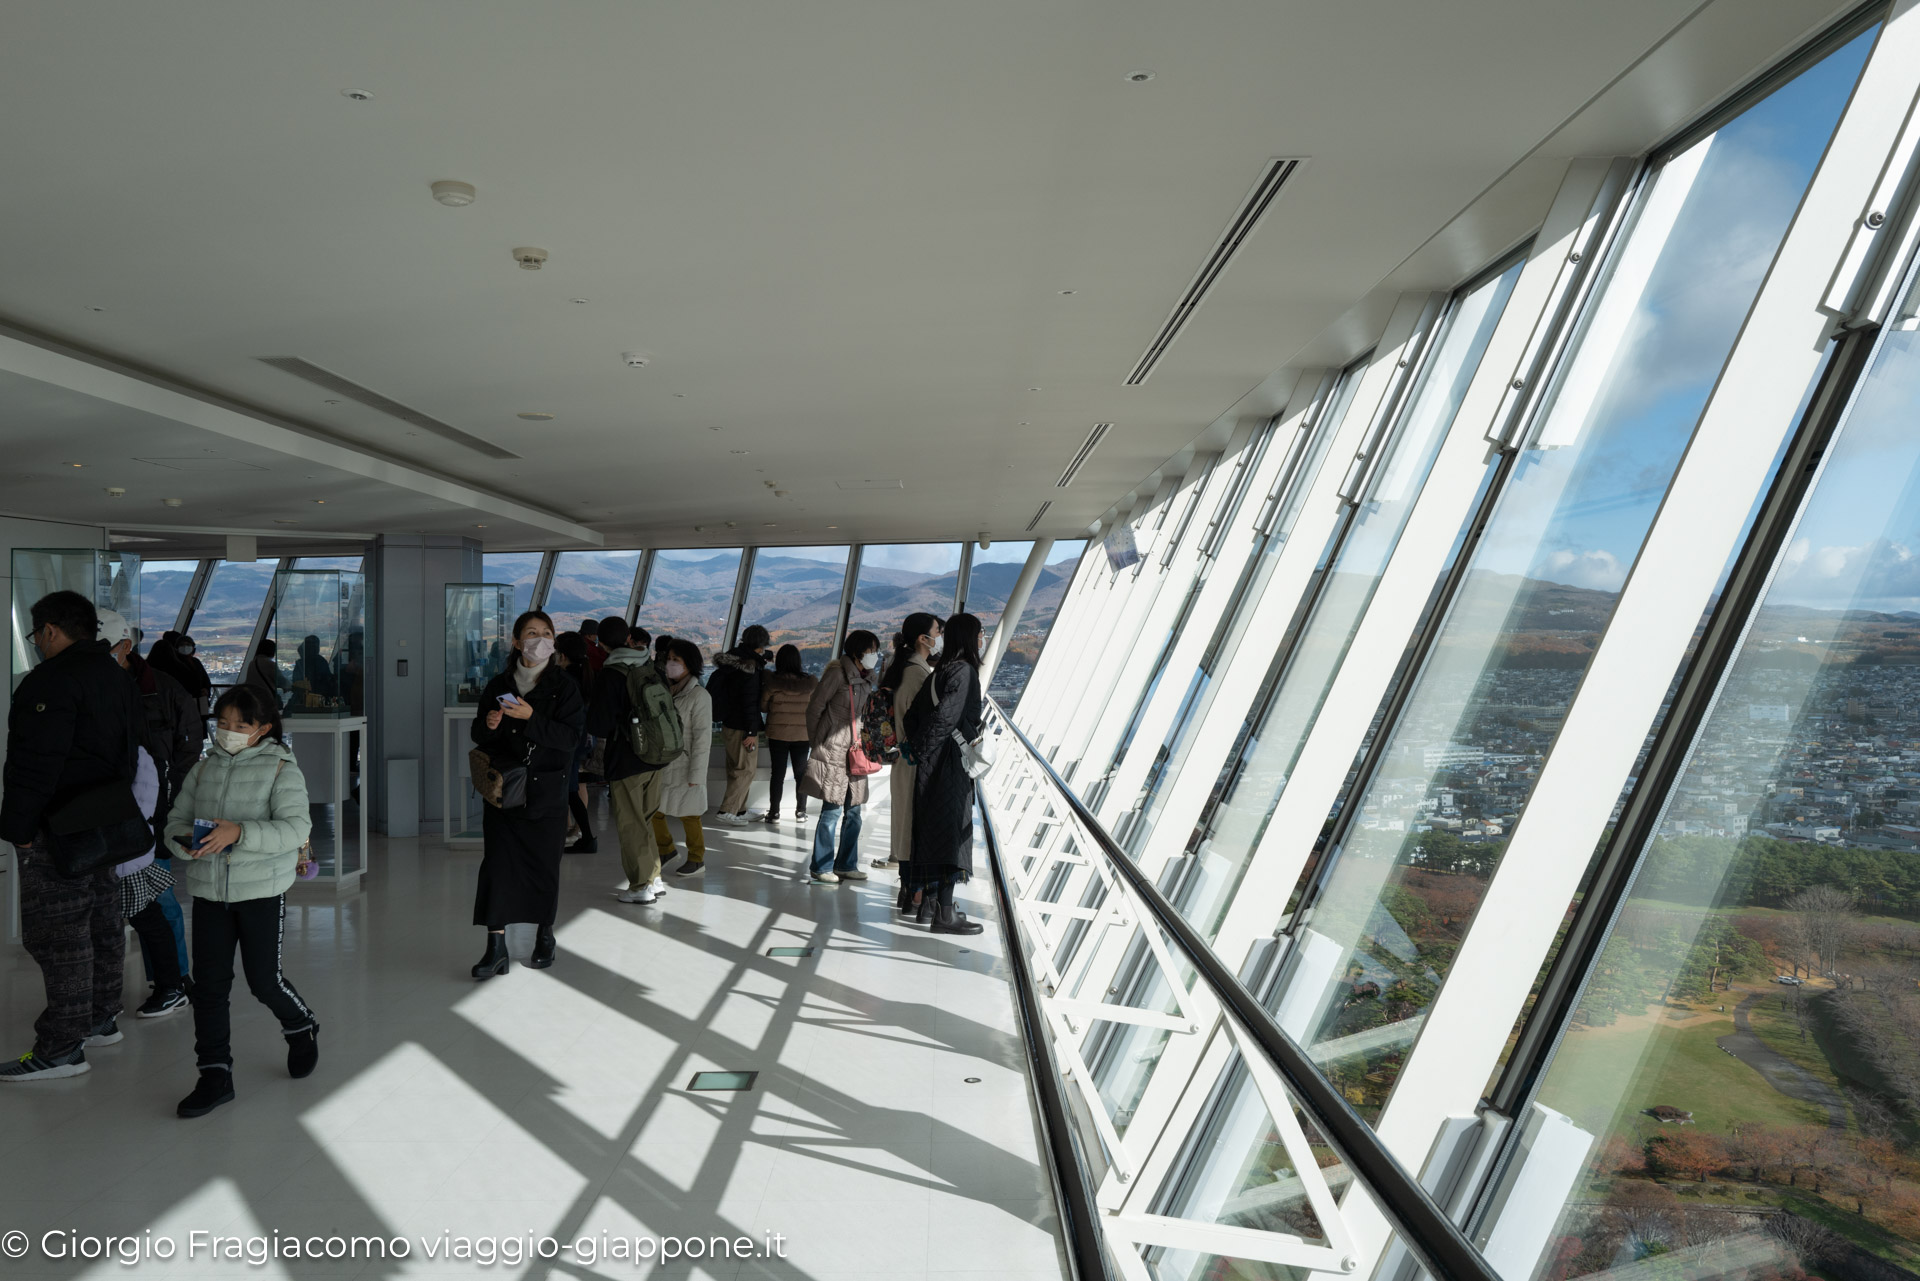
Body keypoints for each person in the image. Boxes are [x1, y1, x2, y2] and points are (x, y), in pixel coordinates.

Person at [0, 591, 143, 1081]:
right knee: (102, 921)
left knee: (59, 935)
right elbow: (130, 756)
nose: (37, 644)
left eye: (36, 634)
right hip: (105, 822)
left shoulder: (50, 681)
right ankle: (101, 1018)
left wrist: (18, 829)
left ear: (50, 631)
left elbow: (34, 765)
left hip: (57, 827)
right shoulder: (115, 676)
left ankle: (61, 1047)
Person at [165, 685, 320, 1116]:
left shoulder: (280, 769)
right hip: (209, 892)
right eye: (223, 723)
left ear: (263, 729)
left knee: (263, 981)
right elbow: (176, 820)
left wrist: (240, 833)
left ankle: (300, 1024)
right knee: (209, 988)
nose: (228, 732)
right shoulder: (203, 768)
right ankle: (214, 1074)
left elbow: (295, 829)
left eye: (241, 725)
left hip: (261, 893)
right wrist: (184, 844)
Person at [469, 611, 585, 979]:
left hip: (546, 793)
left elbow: (571, 740)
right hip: (504, 792)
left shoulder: (564, 686)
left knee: (543, 867)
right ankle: (495, 947)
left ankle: (545, 936)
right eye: (531, 633)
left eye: (546, 633)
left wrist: (531, 717)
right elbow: (479, 733)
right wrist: (489, 724)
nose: (540, 639)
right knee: (498, 867)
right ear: (517, 642)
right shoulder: (500, 683)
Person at [100, 610, 196, 1011]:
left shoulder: (164, 690)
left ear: (125, 646)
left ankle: (173, 980)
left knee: (158, 898)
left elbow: (187, 753)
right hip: (104, 813)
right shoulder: (92, 686)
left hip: (153, 811)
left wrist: (174, 809)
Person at [905, 613, 988, 935]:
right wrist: (944, 746)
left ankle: (930, 907)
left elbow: (914, 717)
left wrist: (920, 751)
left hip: (932, 763)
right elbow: (946, 718)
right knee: (951, 836)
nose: (983, 638)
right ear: (970, 637)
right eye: (980, 633)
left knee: (933, 832)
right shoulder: (965, 671)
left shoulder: (941, 671)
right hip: (948, 765)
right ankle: (944, 915)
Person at [587, 618, 672, 903]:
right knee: (645, 819)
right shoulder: (647, 665)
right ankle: (654, 876)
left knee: (629, 823)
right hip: (655, 756)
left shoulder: (611, 673)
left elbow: (598, 724)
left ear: (601, 642)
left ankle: (640, 887)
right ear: (628, 638)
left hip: (626, 759)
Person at [801, 630, 882, 885]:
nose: (875, 656)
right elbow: (814, 708)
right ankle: (821, 865)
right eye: (871, 651)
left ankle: (846, 864)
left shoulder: (868, 678)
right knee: (832, 809)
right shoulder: (837, 674)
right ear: (858, 652)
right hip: (835, 751)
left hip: (857, 752)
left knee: (855, 811)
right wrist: (819, 741)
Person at [881, 613, 942, 897]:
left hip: (905, 760)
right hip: (914, 759)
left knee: (905, 826)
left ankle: (909, 891)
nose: (939, 637)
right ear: (923, 638)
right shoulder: (916, 672)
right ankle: (915, 892)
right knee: (913, 828)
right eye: (936, 632)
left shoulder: (904, 666)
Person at [652, 639, 716, 877]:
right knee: (654, 810)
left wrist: (697, 774)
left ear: (689, 663)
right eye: (668, 659)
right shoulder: (666, 690)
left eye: (676, 660)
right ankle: (666, 849)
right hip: (665, 763)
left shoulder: (700, 696)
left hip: (686, 765)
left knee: (690, 814)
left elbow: (702, 739)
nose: (670, 664)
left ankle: (697, 859)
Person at [708, 625, 770, 825]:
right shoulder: (749, 668)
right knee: (745, 770)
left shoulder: (733, 662)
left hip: (729, 724)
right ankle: (727, 811)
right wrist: (752, 731)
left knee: (736, 768)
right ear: (760, 645)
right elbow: (749, 702)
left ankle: (740, 810)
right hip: (743, 727)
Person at [759, 644, 815, 824]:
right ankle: (801, 812)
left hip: (778, 734)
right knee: (801, 774)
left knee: (777, 774)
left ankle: (774, 813)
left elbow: (763, 706)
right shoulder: (809, 684)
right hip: (802, 734)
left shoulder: (772, 683)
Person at [554, 632, 597, 853]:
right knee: (572, 790)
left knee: (569, 790)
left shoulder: (564, 680)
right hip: (581, 741)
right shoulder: (584, 676)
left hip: (567, 742)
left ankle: (587, 838)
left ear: (561, 655)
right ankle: (586, 836)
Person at [151, 631, 214, 720]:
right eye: (182, 645)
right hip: (186, 702)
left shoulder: (196, 662)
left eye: (188, 644)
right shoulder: (174, 664)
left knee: (200, 724)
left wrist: (206, 690)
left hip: (199, 701)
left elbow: (205, 679)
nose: (185, 647)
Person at [243, 638, 287, 705]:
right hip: (265, 698)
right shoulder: (269, 664)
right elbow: (281, 680)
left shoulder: (252, 663)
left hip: (252, 697)